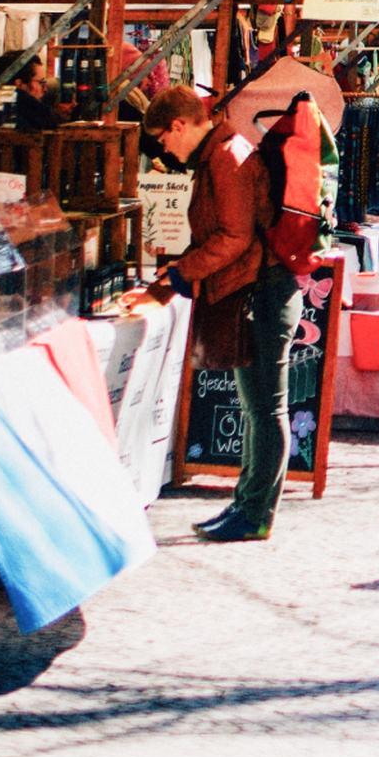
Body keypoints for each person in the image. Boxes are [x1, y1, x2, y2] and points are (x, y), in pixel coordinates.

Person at [144, 85, 298, 542]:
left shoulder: (225, 156)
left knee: (266, 409)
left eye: (164, 140)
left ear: (179, 125)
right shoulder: (223, 151)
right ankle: (246, 503)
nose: (164, 150)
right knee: (256, 408)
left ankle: (255, 514)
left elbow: (234, 237)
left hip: (265, 293)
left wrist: (182, 273)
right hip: (262, 289)